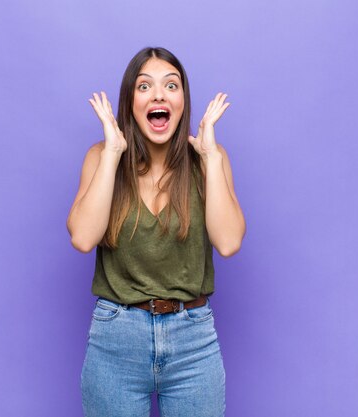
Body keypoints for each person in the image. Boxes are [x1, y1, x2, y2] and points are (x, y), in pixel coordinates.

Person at [67, 46, 245, 417]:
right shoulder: (101, 158)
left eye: (171, 85)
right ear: (130, 101)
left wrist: (211, 159)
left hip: (192, 341)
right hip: (117, 339)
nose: (159, 94)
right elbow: (83, 238)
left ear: (183, 100)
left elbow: (228, 243)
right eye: (145, 86)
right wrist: (114, 153)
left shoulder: (210, 160)